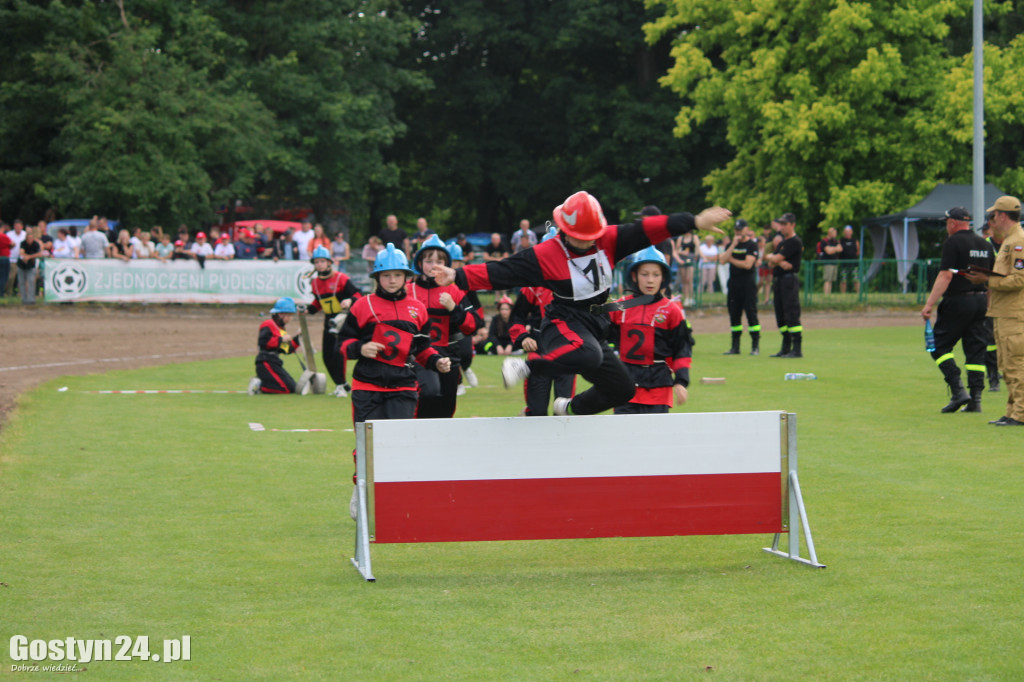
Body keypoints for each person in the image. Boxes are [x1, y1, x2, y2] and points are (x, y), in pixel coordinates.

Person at [431, 190, 729, 416]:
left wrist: (694, 221)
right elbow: (502, 271)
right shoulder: (547, 254)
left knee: (622, 389)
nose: (589, 242)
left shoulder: (608, 238)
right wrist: (456, 275)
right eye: (581, 238)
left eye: (593, 237)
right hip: (562, 321)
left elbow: (647, 229)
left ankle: (569, 409)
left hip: (595, 323)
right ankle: (526, 367)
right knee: (589, 357)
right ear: (565, 230)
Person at [336, 244, 452, 515]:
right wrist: (359, 349)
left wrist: (437, 361)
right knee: (367, 445)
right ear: (377, 277)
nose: (391, 280)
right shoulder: (362, 306)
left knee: (399, 444)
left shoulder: (417, 308)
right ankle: (360, 488)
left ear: (406, 277)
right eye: (386, 275)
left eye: (397, 275)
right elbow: (341, 344)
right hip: (366, 386)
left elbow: (423, 348)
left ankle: (395, 501)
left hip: (403, 386)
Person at [920, 206, 995, 413]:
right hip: (981, 301)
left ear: (952, 223)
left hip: (958, 301)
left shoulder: (953, 242)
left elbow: (946, 275)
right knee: (976, 351)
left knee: (938, 346)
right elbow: (990, 280)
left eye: (946, 223)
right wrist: (988, 306)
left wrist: (929, 305)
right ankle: (976, 400)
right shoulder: (985, 244)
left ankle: (958, 390)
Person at [610, 246, 692, 414]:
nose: (650, 280)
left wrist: (681, 382)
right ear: (634, 276)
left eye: (656, 275)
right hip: (624, 387)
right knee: (623, 438)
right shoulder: (619, 307)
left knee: (655, 439)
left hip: (659, 389)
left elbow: (682, 349)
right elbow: (601, 340)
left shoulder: (672, 311)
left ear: (663, 278)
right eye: (644, 274)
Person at [406, 235, 480, 418]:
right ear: (420, 262)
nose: (434, 265)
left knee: (446, 408)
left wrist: (455, 309)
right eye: (429, 260)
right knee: (429, 393)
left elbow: (473, 326)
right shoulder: (408, 290)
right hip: (418, 355)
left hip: (449, 356)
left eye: (439, 261)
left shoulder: (454, 290)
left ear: (447, 264)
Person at [965, 196, 1024, 425]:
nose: (991, 221)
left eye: (992, 216)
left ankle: (1020, 414)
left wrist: (987, 280)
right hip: (1005, 313)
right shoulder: (1011, 241)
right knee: (1007, 365)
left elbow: (1019, 279)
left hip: (1015, 314)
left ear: (1002, 215)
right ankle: (1012, 411)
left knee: (1017, 365)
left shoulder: (1018, 242)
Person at [306, 245, 363, 397]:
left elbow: (358, 294)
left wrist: (350, 301)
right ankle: (342, 384)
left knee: (338, 353)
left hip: (343, 319)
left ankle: (341, 386)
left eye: (322, 261)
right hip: (328, 320)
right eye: (316, 262)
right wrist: (308, 310)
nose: (319, 265)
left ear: (329, 262)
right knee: (326, 356)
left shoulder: (341, 278)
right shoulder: (315, 283)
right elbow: (318, 302)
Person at [446, 242, 484, 392]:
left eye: (459, 261)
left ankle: (466, 368)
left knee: (466, 353)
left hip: (464, 321)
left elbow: (476, 304)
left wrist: (481, 326)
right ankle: (458, 382)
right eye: (454, 261)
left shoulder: (466, 280)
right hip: (447, 326)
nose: (456, 264)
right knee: (450, 355)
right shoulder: (438, 281)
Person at [719, 219, 761, 355]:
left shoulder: (752, 246)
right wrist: (733, 245)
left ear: (747, 229)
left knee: (751, 314)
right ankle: (735, 347)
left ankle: (755, 346)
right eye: (736, 230)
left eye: (740, 229)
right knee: (734, 315)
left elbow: (748, 265)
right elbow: (722, 260)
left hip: (748, 284)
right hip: (734, 284)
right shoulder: (731, 245)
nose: (738, 232)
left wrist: (731, 259)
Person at [765, 213, 804, 357]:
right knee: (780, 314)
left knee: (791, 313)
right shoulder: (782, 243)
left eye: (784, 224)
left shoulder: (794, 242)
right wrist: (778, 260)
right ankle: (786, 346)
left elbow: (773, 258)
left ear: (792, 225)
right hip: (779, 280)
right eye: (780, 224)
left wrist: (775, 259)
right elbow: (769, 260)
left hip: (789, 280)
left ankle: (797, 348)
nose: (782, 227)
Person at [248, 297, 304, 395]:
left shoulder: (281, 329)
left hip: (274, 362)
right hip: (265, 362)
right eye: (289, 315)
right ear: (281, 314)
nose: (291, 318)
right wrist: (281, 339)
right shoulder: (268, 324)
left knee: (292, 387)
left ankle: (262, 384)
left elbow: (287, 350)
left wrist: (297, 339)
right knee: (286, 389)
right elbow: (263, 343)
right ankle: (260, 386)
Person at [983, 212, 1001, 392]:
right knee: (990, 340)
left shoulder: (1015, 243)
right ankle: (993, 376)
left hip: (1012, 301)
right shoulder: (985, 245)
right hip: (990, 299)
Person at [16, 226, 43, 304]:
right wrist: (25, 256)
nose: (30, 239)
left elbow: (39, 254)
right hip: (21, 265)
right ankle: (24, 299)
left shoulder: (36, 244)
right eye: (29, 238)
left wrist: (29, 257)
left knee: (31, 281)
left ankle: (31, 299)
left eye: (31, 238)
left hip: (31, 266)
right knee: (22, 282)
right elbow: (21, 252)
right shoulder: (23, 243)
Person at [674, 230, 697, 305]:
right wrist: (681, 252)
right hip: (682, 260)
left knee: (689, 279)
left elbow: (697, 249)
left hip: (691, 259)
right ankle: (686, 298)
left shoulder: (694, 237)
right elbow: (676, 250)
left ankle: (691, 297)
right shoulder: (681, 238)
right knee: (684, 279)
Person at [6, 220, 27, 297]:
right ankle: (8, 292)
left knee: (21, 277)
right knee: (11, 277)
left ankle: (20, 293)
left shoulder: (25, 234)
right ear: (14, 227)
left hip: (22, 259)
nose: (17, 228)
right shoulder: (9, 234)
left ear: (22, 226)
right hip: (12, 259)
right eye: (16, 226)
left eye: (19, 226)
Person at [818, 227, 841, 295]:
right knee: (827, 280)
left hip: (834, 263)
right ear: (830, 233)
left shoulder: (835, 241)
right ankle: (826, 294)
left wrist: (832, 249)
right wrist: (835, 249)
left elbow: (840, 249)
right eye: (834, 233)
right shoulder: (824, 241)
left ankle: (829, 295)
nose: (835, 235)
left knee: (831, 280)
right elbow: (828, 251)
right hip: (828, 263)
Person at [838, 226, 860, 295]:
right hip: (844, 263)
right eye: (846, 231)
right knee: (843, 280)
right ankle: (843, 295)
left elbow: (858, 252)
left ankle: (858, 294)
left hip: (854, 263)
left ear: (851, 232)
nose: (847, 233)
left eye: (849, 231)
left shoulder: (855, 241)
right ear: (844, 232)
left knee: (856, 279)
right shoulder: (841, 241)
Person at [0, 226, 12, 297]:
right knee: (3, 277)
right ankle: (1, 293)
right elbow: (12, 244)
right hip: (4, 259)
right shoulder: (4, 236)